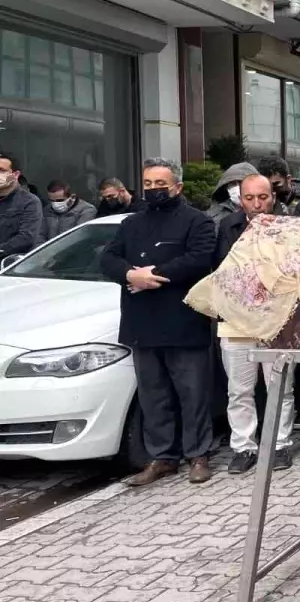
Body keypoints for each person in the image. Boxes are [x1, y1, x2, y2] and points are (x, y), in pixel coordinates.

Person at [100, 159, 217, 485]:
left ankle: (198, 454)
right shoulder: (131, 223)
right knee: (154, 396)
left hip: (183, 321)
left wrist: (152, 277)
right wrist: (128, 274)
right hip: (142, 323)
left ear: (177, 187)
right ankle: (163, 457)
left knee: (192, 394)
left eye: (160, 184)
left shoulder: (198, 221)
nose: (153, 189)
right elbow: (107, 258)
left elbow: (199, 259)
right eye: (148, 183)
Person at [214, 174, 295, 474]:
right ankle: (244, 447)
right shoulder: (227, 226)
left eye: (262, 197)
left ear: (273, 196)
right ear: (240, 199)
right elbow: (221, 267)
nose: (257, 204)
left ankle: (280, 444)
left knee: (280, 386)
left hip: (278, 316)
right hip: (237, 318)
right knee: (239, 389)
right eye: (250, 198)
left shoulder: (289, 225)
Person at [0, 152, 43, 261]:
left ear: (15, 175)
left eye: (2, 170)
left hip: (10, 266)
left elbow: (26, 238)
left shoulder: (29, 202)